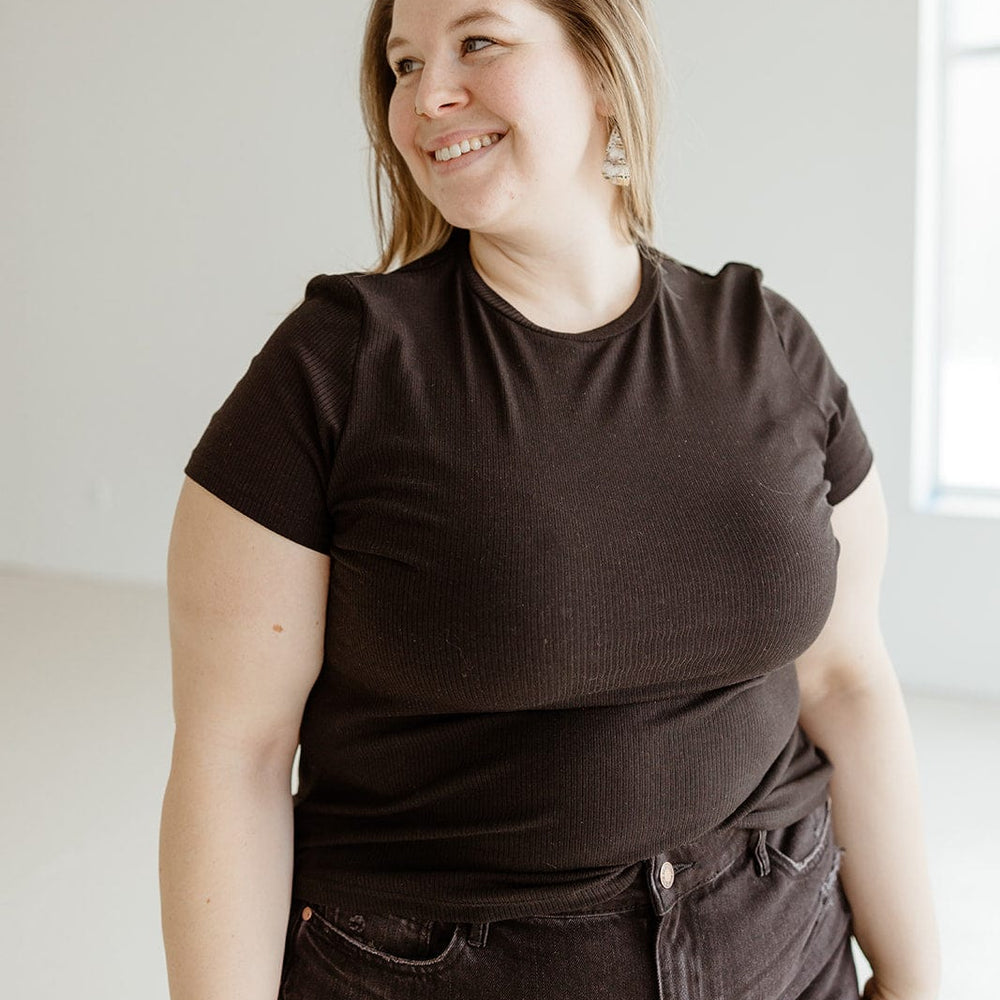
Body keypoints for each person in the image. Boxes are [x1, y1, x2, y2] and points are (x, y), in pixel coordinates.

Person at [158, 0, 941, 997]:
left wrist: (917, 977)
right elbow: (238, 754)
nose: (425, 95)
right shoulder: (336, 369)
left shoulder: (769, 347)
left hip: (778, 944)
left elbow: (844, 682)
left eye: (476, 42)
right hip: (445, 963)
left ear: (604, 73)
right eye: (402, 66)